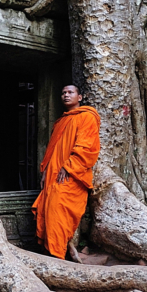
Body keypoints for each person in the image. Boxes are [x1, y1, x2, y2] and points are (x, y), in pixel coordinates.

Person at [32, 84, 101, 260]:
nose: (66, 95)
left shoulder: (87, 117)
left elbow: (87, 147)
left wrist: (69, 166)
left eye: (70, 92)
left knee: (58, 212)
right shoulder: (61, 121)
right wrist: (46, 169)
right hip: (54, 175)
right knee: (48, 211)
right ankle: (52, 253)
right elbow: (52, 150)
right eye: (63, 92)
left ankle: (57, 256)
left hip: (71, 174)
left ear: (80, 97)